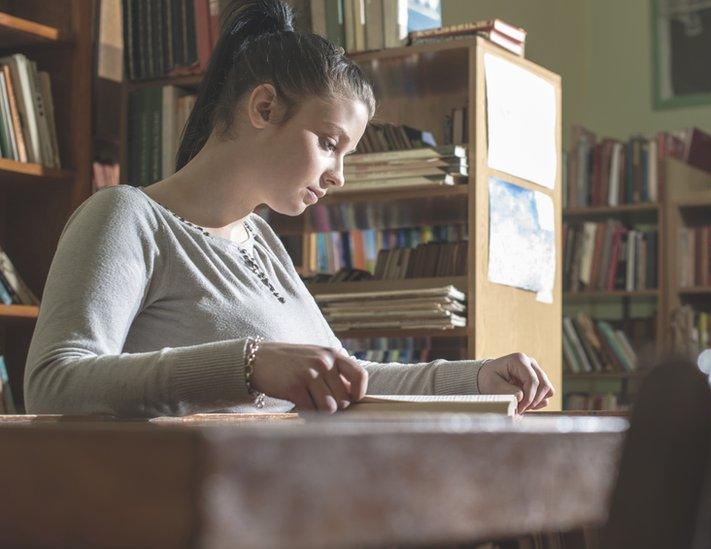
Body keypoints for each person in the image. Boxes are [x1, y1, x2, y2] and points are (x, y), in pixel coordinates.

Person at [24, 0, 553, 417]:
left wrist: (478, 378)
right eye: (328, 142)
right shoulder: (128, 218)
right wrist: (249, 365)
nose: (338, 175)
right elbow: (54, 384)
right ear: (264, 107)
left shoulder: (262, 240)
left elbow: (348, 378)